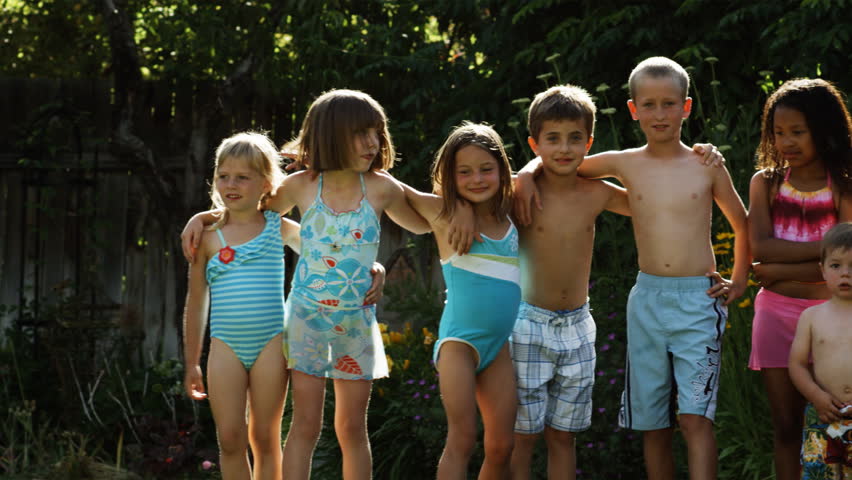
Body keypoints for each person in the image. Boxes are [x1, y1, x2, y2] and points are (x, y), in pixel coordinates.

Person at [515, 56, 750, 480]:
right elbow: (559, 160)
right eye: (650, 104)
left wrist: (741, 279)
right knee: (651, 421)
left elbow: (741, 221)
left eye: (669, 104)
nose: (659, 114)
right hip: (646, 301)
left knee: (695, 418)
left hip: (698, 299)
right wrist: (526, 175)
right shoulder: (622, 163)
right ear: (633, 109)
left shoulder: (706, 165)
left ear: (686, 107)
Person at [182, 89, 429, 480]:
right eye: (361, 133)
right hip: (306, 321)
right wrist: (204, 217)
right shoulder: (300, 186)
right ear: (330, 136)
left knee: (351, 429)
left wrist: (374, 265)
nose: (373, 143)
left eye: (376, 133)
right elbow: (250, 207)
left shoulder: (381, 187)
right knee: (304, 428)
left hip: (355, 323)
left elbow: (422, 223)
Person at [504, 84, 630, 480]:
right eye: (553, 139)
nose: (564, 148)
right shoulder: (518, 192)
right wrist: (524, 172)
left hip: (578, 325)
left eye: (575, 138)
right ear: (534, 143)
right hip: (526, 322)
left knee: (564, 436)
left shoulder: (597, 192)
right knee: (522, 436)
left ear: (589, 142)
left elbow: (656, 203)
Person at [399, 122, 519, 479]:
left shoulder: (512, 215)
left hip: (499, 348)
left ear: (502, 170)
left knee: (502, 447)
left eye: (486, 169)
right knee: (462, 439)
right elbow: (393, 189)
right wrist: (457, 205)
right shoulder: (444, 215)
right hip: (459, 345)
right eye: (464, 172)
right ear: (450, 177)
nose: (477, 179)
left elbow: (543, 172)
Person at [747, 78, 852, 480]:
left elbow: (847, 266)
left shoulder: (842, 185)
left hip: (833, 317)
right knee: (787, 425)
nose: (787, 141)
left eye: (798, 132)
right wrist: (826, 252)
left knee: (837, 421)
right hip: (775, 318)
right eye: (779, 132)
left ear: (823, 130)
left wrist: (776, 270)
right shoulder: (766, 183)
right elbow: (761, 248)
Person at [182, 131, 295, 480]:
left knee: (264, 437)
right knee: (230, 439)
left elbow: (328, 256)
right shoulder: (206, 238)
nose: (230, 184)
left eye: (242, 177)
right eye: (223, 176)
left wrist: (372, 266)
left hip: (271, 345)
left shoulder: (279, 228)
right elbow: (197, 302)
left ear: (265, 183)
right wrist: (191, 363)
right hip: (225, 348)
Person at [789, 222, 852, 480]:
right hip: (823, 413)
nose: (845, 274)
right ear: (823, 270)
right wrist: (816, 396)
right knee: (822, 474)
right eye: (836, 266)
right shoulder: (812, 317)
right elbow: (797, 364)